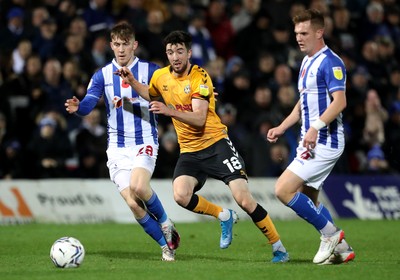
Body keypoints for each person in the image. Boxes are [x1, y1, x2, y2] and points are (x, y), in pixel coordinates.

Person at [116, 30, 289, 263]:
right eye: (170, 52)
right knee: (181, 195)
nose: (175, 57)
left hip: (217, 144)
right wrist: (133, 82)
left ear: (189, 53)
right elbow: (151, 93)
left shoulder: (200, 77)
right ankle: (223, 215)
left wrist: (168, 111)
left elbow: (199, 118)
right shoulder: (160, 76)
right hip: (190, 150)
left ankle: (278, 247)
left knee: (244, 200)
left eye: (179, 51)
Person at [64, 22, 179, 261]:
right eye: (116, 44)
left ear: (134, 45)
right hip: (117, 148)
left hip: (144, 140)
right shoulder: (102, 75)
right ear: (111, 46)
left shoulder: (152, 71)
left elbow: (174, 91)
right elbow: (88, 103)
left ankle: (166, 223)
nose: (121, 49)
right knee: (133, 203)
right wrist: (78, 108)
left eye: (125, 44)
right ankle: (165, 246)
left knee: (139, 187)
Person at [266, 9, 355, 265]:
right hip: (310, 139)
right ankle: (343, 248)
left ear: (319, 32)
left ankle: (331, 236)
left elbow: (340, 102)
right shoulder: (306, 61)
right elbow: (303, 102)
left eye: (304, 33)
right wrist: (282, 126)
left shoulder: (332, 62)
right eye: (296, 33)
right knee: (309, 199)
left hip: (326, 142)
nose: (299, 38)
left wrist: (315, 127)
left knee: (283, 190)